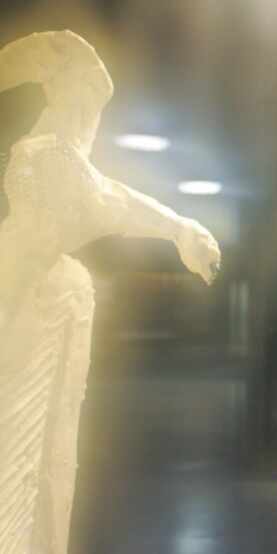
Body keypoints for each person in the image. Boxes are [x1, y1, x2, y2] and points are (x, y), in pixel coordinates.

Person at [0, 31, 221, 554]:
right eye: (84, 96)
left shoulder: (53, 162)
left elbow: (109, 198)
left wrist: (179, 228)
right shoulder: (46, 157)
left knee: (34, 465)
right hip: (19, 316)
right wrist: (178, 228)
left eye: (94, 102)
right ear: (60, 92)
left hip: (34, 315)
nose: (90, 113)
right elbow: (109, 199)